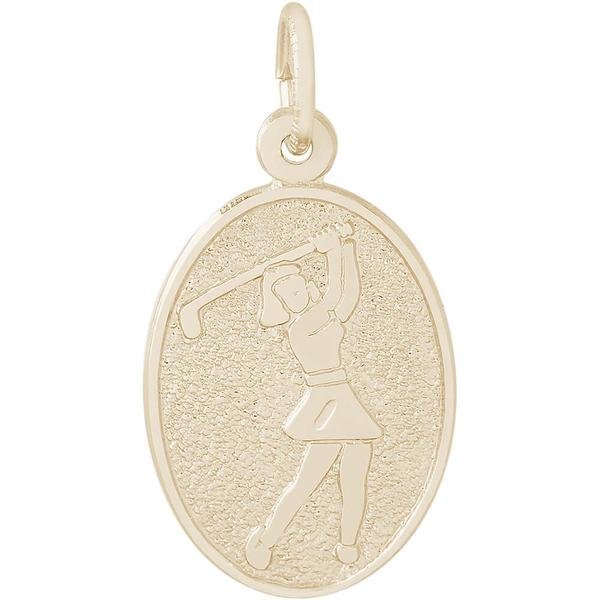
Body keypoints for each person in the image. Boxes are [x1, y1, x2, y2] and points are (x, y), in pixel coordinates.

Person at [245, 226, 382, 569]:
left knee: (354, 483)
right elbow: (334, 295)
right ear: (282, 305)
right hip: (326, 408)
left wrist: (346, 248)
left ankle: (348, 547)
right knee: (306, 482)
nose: (297, 296)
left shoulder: (322, 319)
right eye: (288, 296)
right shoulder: (300, 328)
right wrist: (331, 251)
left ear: (307, 286)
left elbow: (348, 296)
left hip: (344, 403)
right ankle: (267, 540)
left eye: (298, 289)